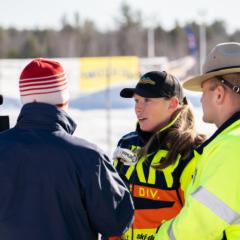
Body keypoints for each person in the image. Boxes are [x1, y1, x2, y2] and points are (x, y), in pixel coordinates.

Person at [0, 58, 134, 240]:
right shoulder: (88, 157)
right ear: (64, 100)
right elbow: (116, 221)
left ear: (25, 99)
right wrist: (120, 180)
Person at [155, 42, 240, 240]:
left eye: (203, 91)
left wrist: (159, 236)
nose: (200, 100)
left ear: (219, 94)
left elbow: (197, 227)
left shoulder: (232, 147)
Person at [108, 71, 205, 240]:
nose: (138, 107)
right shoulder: (127, 143)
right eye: (137, 100)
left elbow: (199, 220)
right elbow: (115, 201)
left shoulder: (191, 151)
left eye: (147, 100)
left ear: (173, 103)